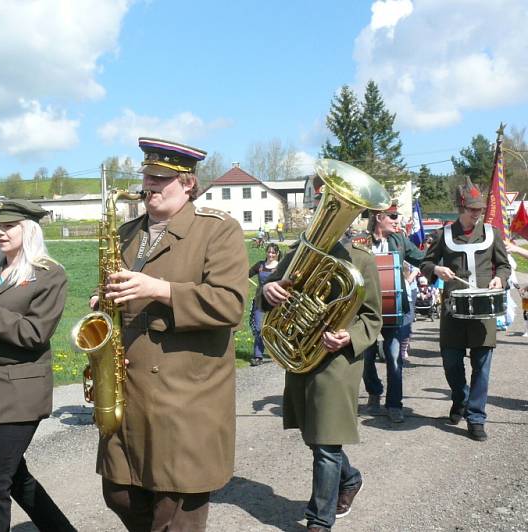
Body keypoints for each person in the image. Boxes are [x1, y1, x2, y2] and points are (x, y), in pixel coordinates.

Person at [94, 137, 247, 531]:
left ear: (188, 183)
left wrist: (159, 289)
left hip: (186, 397)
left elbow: (230, 304)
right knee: (119, 492)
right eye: (147, 176)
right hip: (130, 393)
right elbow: (120, 294)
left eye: (161, 178)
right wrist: (104, 303)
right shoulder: (126, 233)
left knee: (174, 514)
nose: (150, 186)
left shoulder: (218, 231)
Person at [260, 194, 382, 532]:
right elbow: (272, 294)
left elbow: (372, 319)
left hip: (338, 362)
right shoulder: (300, 252)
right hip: (301, 355)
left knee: (326, 443)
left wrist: (349, 336)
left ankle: (319, 521)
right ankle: (351, 478)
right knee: (314, 435)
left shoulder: (362, 259)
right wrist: (267, 292)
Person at [0, 199, 74, 531]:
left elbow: (35, 334)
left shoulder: (49, 274)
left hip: (21, 393)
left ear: (29, 230)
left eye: (9, 227)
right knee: (15, 476)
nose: (0, 232)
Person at [420, 178, 511, 441]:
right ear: (461, 207)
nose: (476, 214)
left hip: (483, 311)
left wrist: (500, 279)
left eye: (479, 209)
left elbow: (504, 266)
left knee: (482, 366)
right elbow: (426, 263)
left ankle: (476, 417)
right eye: (472, 209)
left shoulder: (492, 233)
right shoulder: (443, 235)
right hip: (453, 311)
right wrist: (436, 269)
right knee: (451, 363)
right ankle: (460, 398)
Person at [360, 201, 424, 423]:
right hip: (365, 310)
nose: (398, 220)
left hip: (396, 309)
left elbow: (422, 259)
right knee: (365, 357)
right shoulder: (360, 242)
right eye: (393, 216)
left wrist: (441, 265)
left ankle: (395, 404)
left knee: (394, 357)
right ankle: (374, 392)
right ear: (379, 217)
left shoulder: (399, 240)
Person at [248, 243, 280, 366]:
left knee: (275, 328)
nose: (270, 254)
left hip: (275, 300)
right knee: (258, 328)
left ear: (277, 254)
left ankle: (278, 353)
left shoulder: (281, 266)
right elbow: (247, 274)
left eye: (273, 252)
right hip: (260, 300)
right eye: (269, 252)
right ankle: (258, 356)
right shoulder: (260, 265)